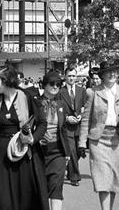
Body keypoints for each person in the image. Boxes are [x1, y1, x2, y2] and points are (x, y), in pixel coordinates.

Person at [0, 64, 48, 210]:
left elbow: (42, 123)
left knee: (24, 198)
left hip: (23, 153)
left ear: (6, 80)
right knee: (1, 199)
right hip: (0, 154)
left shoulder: (27, 96)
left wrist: (33, 139)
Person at [78, 60, 119, 210]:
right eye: (109, 72)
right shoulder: (92, 92)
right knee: (102, 178)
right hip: (98, 141)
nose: (112, 74)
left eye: (115, 71)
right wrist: (82, 142)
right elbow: (86, 119)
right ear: (102, 75)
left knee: (114, 178)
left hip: (117, 139)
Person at [40, 70, 69, 210]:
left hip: (58, 152)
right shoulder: (35, 103)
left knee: (57, 188)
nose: (55, 86)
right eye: (52, 83)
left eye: (58, 84)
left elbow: (63, 130)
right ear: (44, 85)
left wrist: (67, 153)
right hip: (39, 152)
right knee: (41, 189)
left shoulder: (61, 104)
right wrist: (38, 134)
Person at [58, 66, 85, 187]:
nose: (71, 78)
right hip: (66, 127)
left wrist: (81, 115)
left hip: (79, 126)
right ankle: (75, 177)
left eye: (73, 76)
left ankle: (70, 170)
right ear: (65, 77)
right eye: (69, 76)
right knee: (72, 151)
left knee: (78, 151)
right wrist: (66, 117)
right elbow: (57, 109)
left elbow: (85, 106)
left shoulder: (82, 90)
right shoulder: (60, 92)